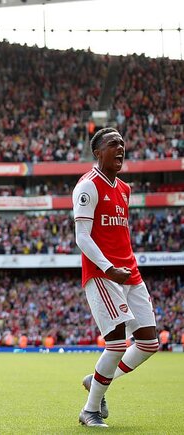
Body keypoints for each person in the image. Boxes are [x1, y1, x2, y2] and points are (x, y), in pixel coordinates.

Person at [73, 128, 158, 427]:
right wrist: (108, 268)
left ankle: (96, 379)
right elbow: (82, 237)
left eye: (122, 144)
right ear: (98, 152)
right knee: (116, 345)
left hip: (130, 273)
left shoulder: (124, 188)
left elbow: (119, 233)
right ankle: (90, 410)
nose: (120, 148)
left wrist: (126, 268)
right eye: (113, 144)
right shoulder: (88, 186)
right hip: (102, 274)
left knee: (149, 343)